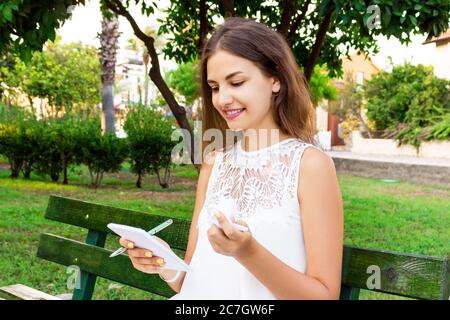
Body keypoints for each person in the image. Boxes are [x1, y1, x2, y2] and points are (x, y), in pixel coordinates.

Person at [119, 17, 344, 300]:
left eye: (236, 82)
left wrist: (248, 252)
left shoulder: (310, 166)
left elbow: (324, 296)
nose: (222, 98)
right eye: (214, 87)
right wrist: (163, 262)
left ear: (275, 79)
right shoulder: (214, 163)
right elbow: (193, 281)